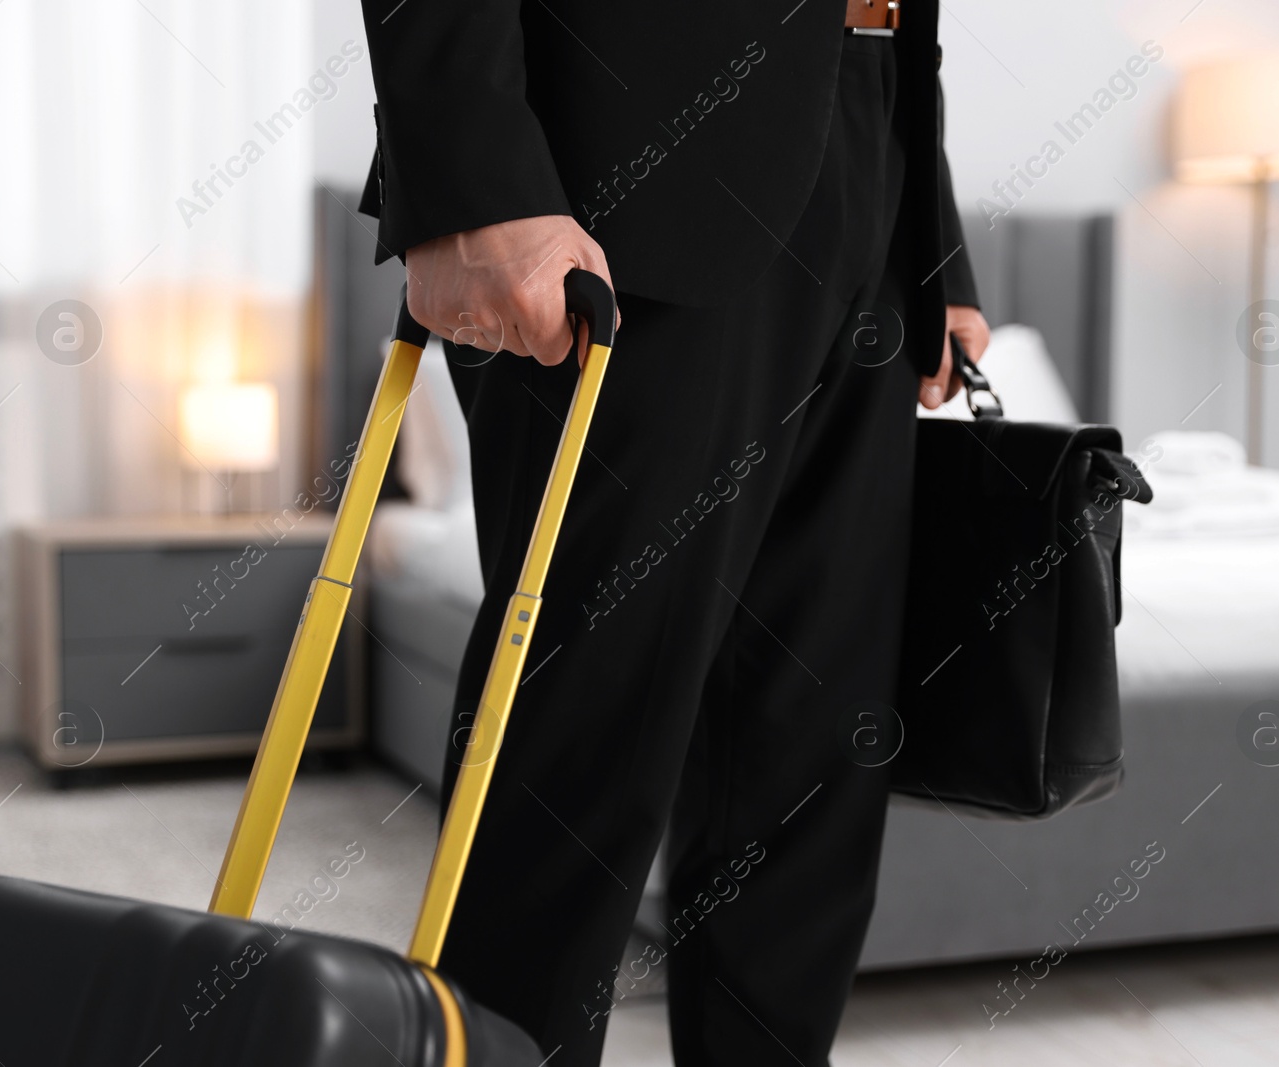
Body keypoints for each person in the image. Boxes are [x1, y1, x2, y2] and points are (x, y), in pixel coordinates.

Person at [358, 2, 990, 1064]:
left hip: (869, 157)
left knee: (812, 747)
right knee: (584, 738)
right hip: (621, 184)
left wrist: (936, 238)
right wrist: (474, 178)